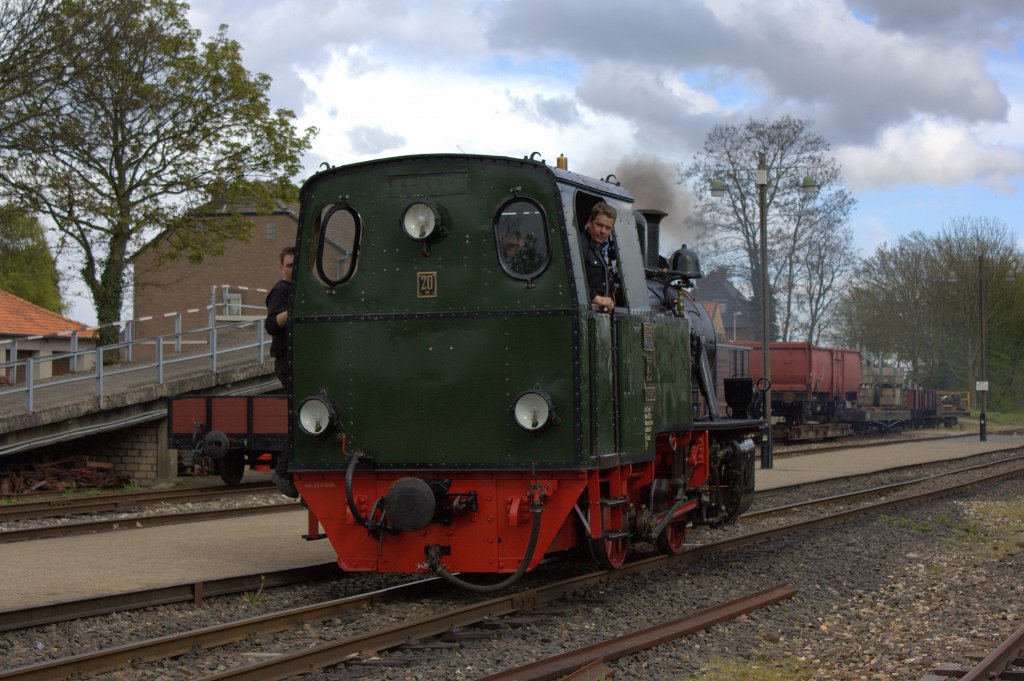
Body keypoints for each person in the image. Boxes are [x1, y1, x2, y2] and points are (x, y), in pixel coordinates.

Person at [266, 246, 298, 498]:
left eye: (295, 264)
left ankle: (291, 471)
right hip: (288, 358)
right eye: (289, 265)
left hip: (299, 358)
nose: (292, 268)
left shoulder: (299, 290)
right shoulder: (281, 291)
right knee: (301, 414)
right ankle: (284, 471)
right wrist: (294, 310)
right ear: (281, 268)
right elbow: (271, 324)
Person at [582, 202, 617, 310]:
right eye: (599, 225)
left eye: (607, 228)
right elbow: (569, 280)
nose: (603, 231)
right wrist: (599, 299)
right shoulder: (580, 244)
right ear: (589, 222)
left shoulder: (599, 249)